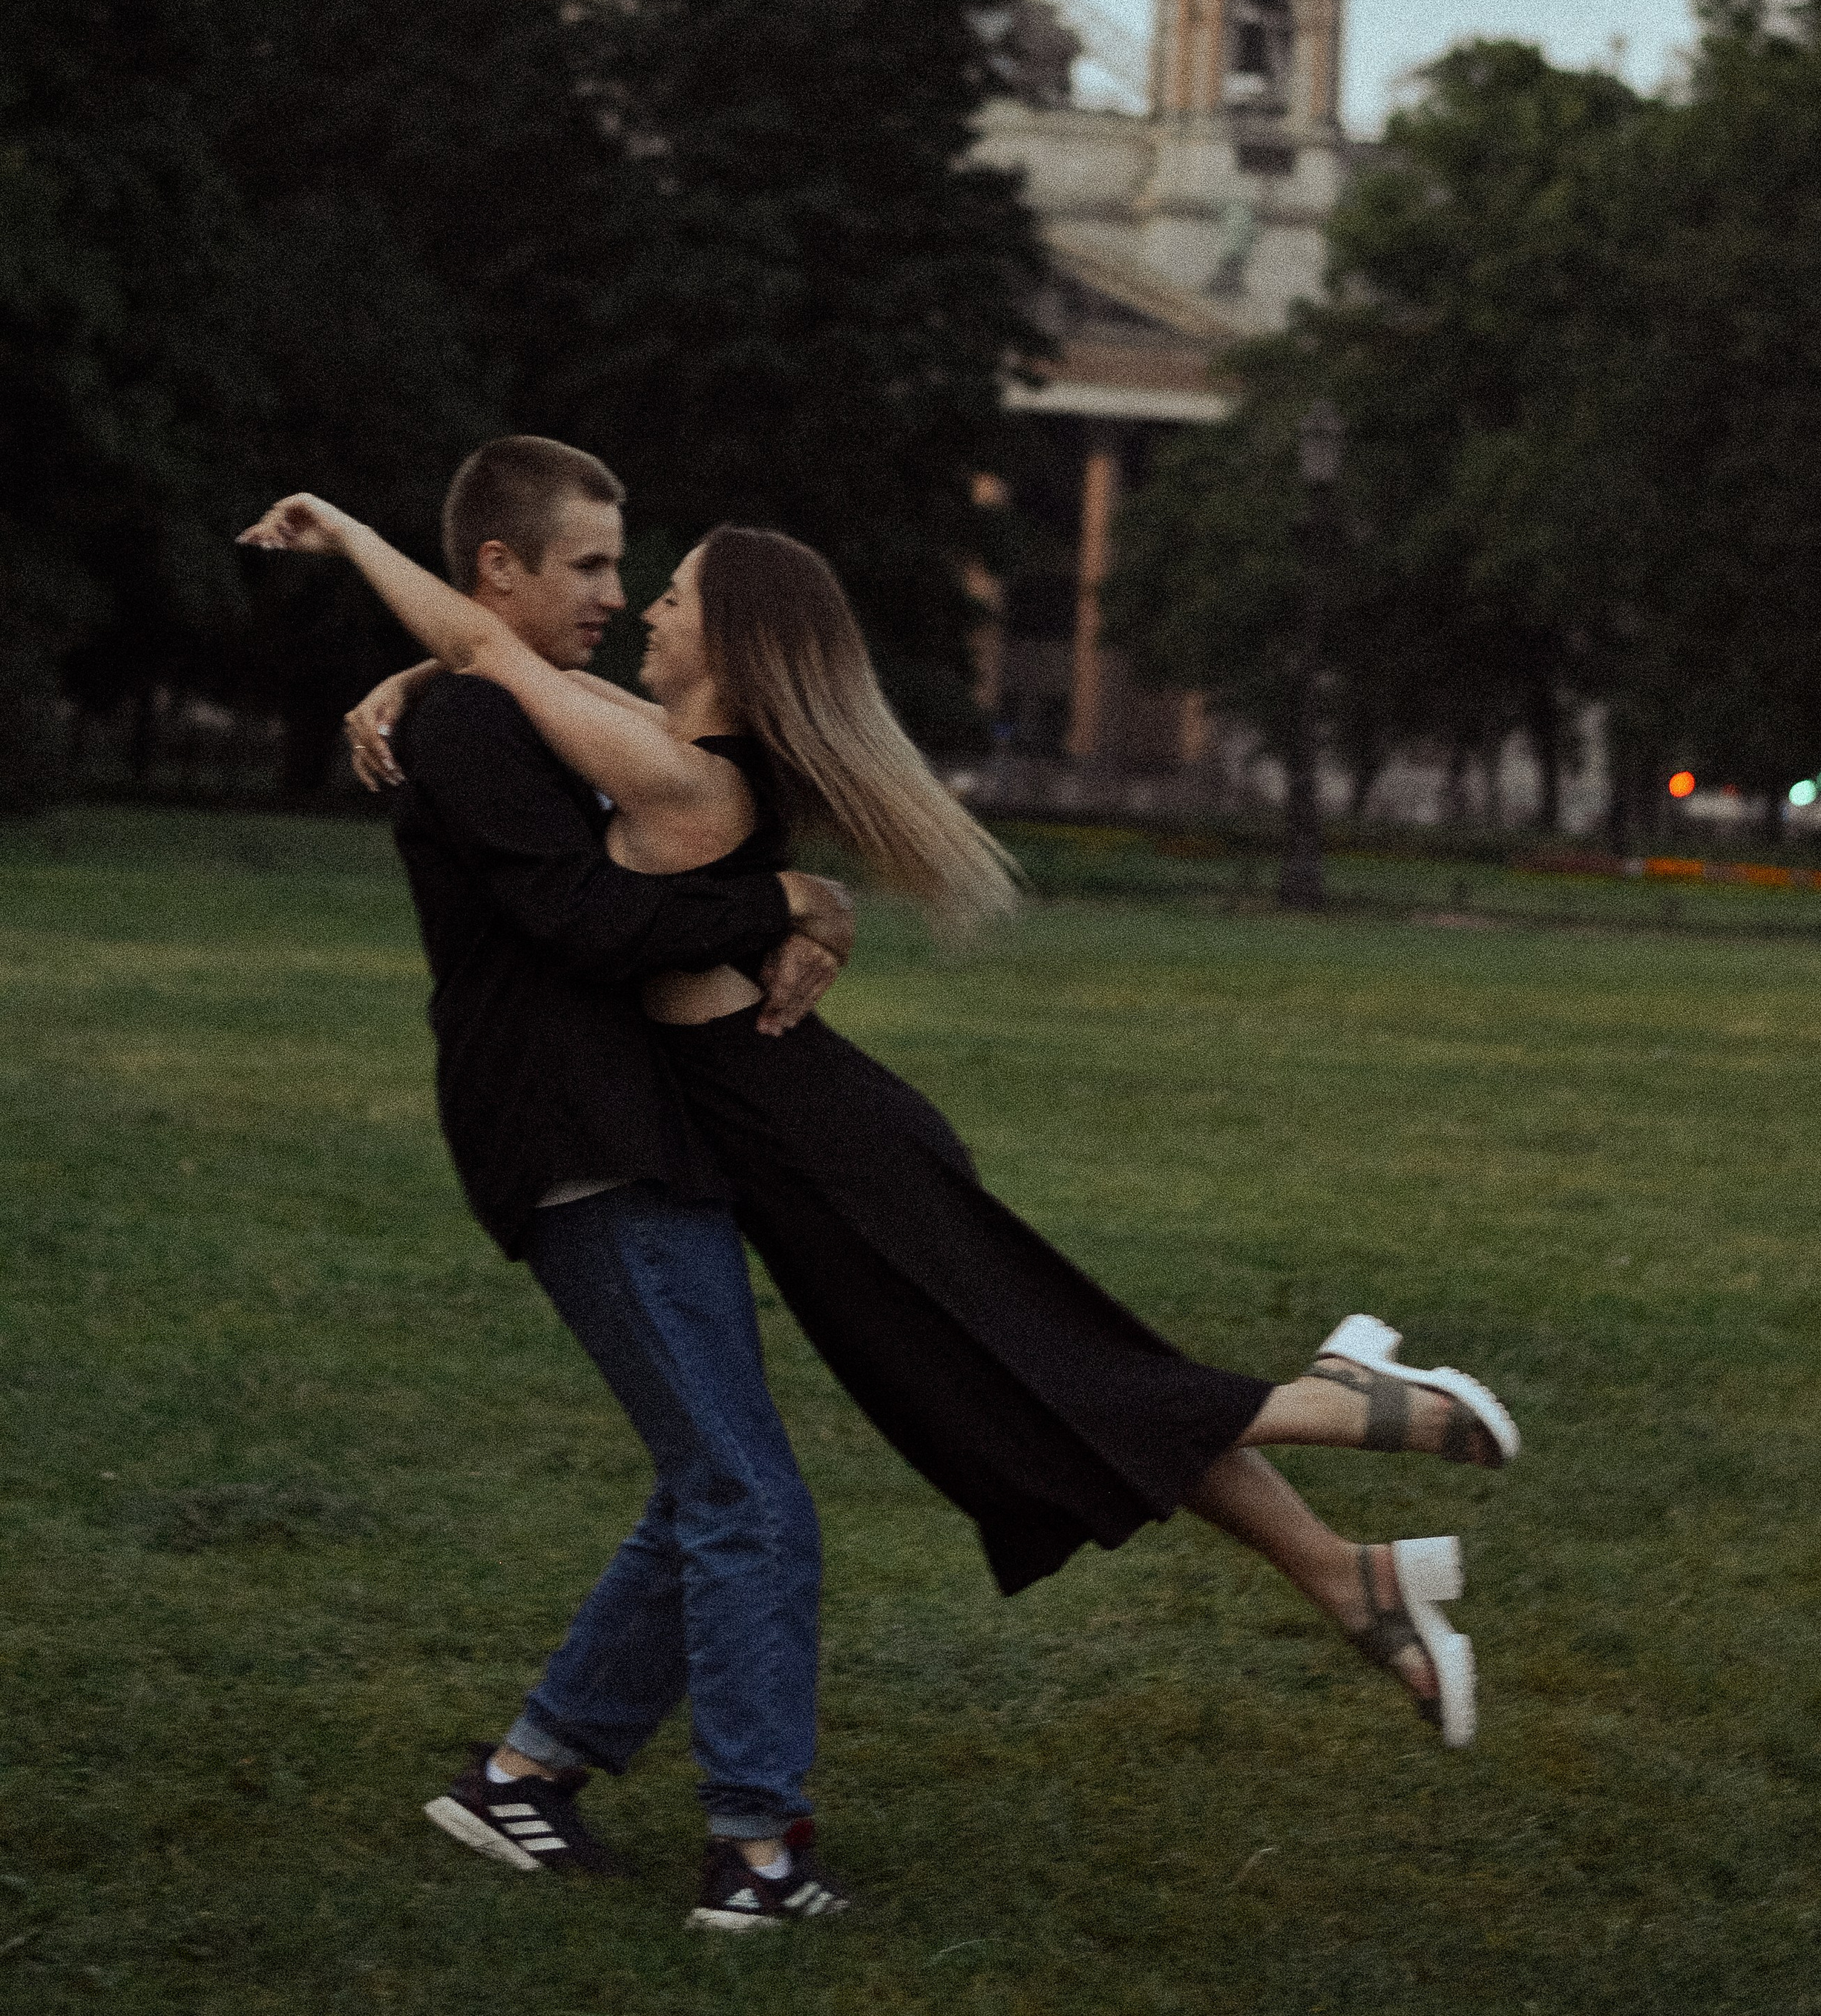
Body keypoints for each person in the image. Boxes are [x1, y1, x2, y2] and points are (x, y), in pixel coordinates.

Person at [246, 472, 1520, 1779]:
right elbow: (495, 672)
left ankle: (1338, 1402)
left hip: (817, 1147)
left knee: (1038, 1381)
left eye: (671, 596)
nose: (643, 611)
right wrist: (413, 685)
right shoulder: (669, 750)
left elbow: (487, 651)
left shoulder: (686, 780)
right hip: (803, 1138)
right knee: (1039, 1377)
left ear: (731, 642)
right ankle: (1347, 1578)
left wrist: (347, 535)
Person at [243, 440, 857, 1932]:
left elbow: (670, 802)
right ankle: (756, 1852)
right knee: (746, 1499)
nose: (617, 590)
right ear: (496, 574)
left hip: (641, 1132)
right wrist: (775, 899)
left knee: (709, 1484)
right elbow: (590, 921)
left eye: (620, 562)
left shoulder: (519, 712)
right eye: (586, 564)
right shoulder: (470, 727)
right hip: (575, 1142)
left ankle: (526, 1775)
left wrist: (792, 897)